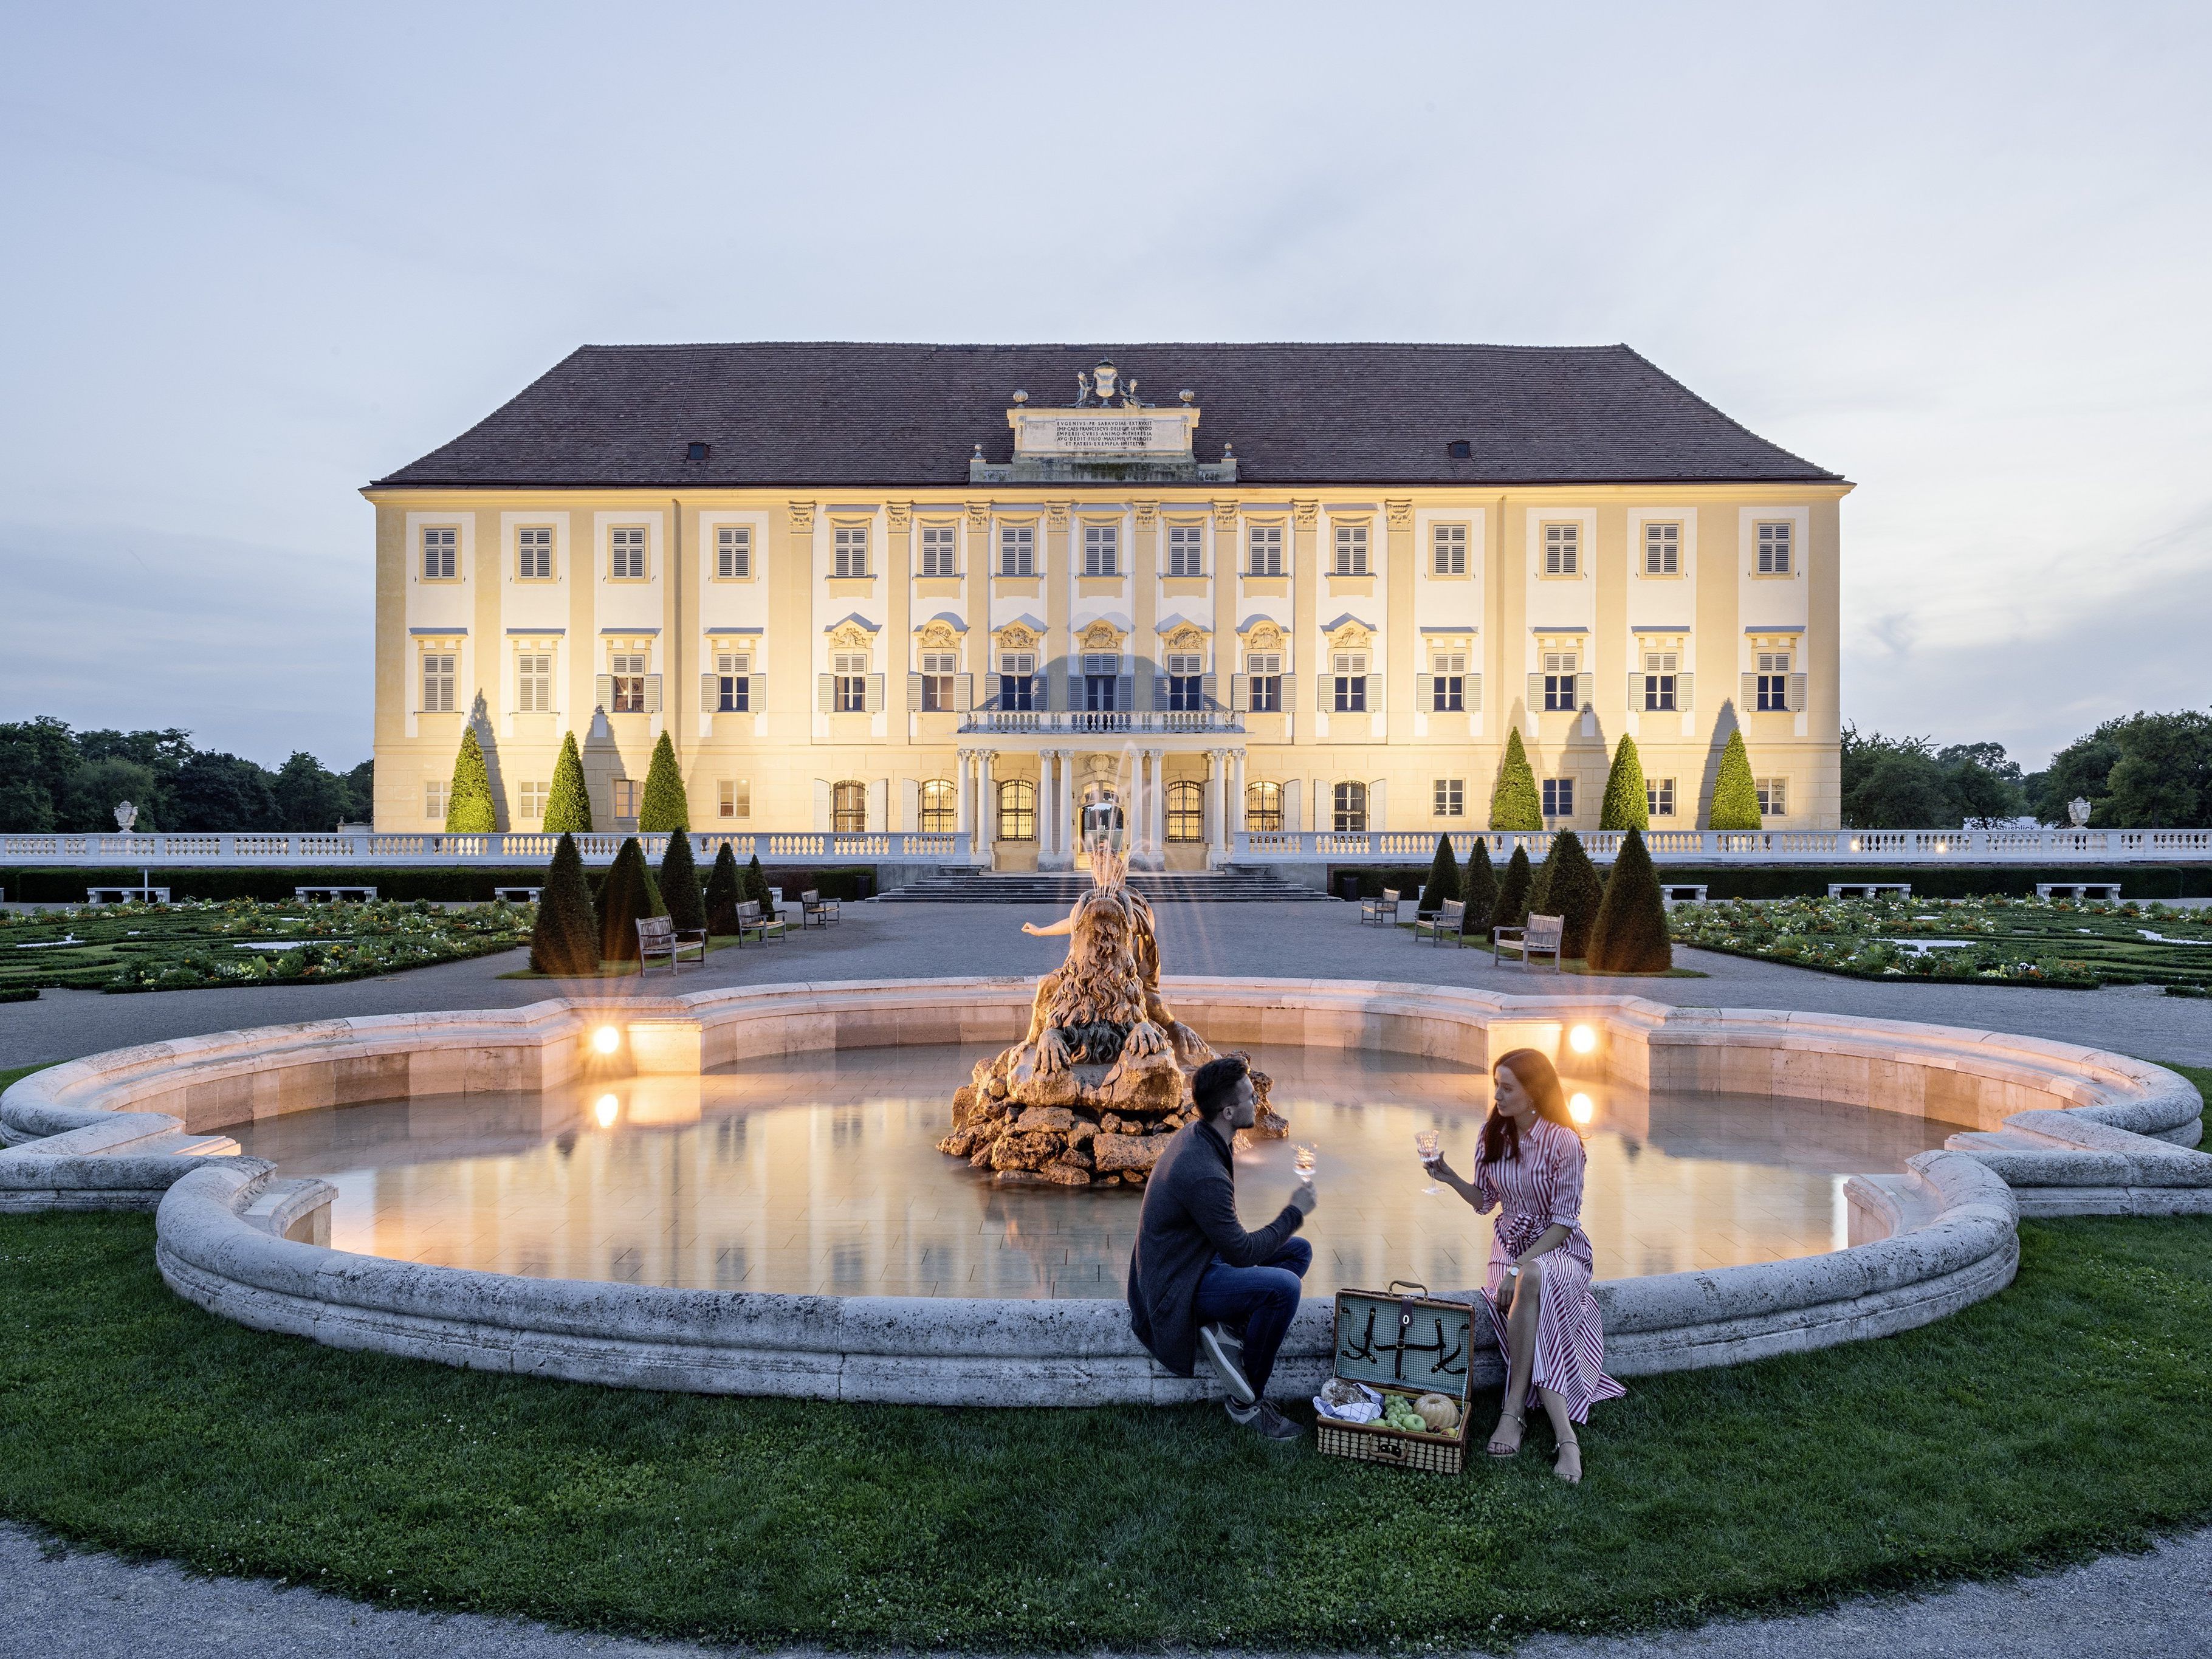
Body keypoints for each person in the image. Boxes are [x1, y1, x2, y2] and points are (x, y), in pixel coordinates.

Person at [1424, 1048, 1622, 1483]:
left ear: (1535, 1091)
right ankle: (1564, 1438)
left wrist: (1519, 1266)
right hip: (1508, 1248)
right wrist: (1450, 1176)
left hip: (1560, 1251)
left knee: (1533, 1277)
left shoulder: (1564, 1142)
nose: (1497, 1094)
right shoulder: (1491, 1135)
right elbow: (1486, 1203)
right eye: (1496, 1084)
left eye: (1507, 1087)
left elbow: (1565, 1224)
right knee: (1532, 1289)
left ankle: (1515, 1412)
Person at [1127, 1053, 1316, 1441]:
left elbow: (1230, 1240)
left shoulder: (1203, 1135)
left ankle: (1228, 1330)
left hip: (1192, 1263)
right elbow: (1241, 1253)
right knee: (1284, 1289)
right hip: (1176, 1287)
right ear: (1228, 1112)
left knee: (1298, 1252)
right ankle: (1248, 1403)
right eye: (1249, 1097)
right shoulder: (1203, 1171)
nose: (1258, 1102)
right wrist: (1294, 1212)